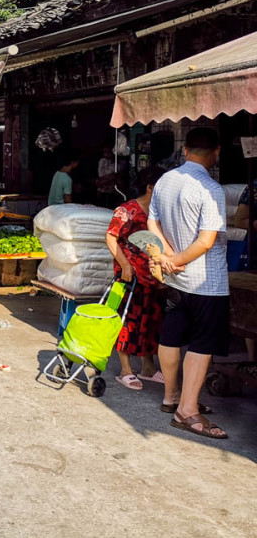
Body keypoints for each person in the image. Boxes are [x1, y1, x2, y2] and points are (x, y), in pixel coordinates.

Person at [148, 128, 229, 440]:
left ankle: (172, 397)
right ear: (216, 152)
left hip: (175, 277)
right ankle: (187, 410)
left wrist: (168, 257)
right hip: (207, 282)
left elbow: (152, 221)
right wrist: (179, 258)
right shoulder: (210, 188)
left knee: (171, 334)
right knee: (202, 343)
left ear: (185, 151)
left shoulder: (166, 180)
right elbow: (206, 241)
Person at [105, 167, 167, 391]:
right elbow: (111, 238)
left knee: (151, 321)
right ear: (150, 188)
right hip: (130, 277)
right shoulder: (127, 210)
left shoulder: (159, 213)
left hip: (155, 277)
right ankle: (126, 370)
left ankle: (148, 368)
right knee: (128, 322)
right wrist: (124, 265)